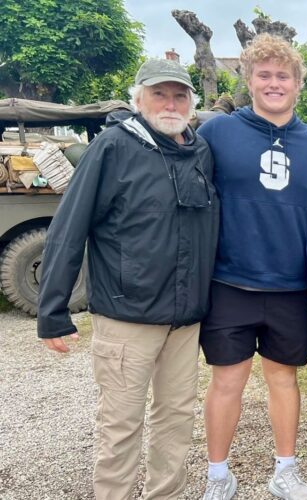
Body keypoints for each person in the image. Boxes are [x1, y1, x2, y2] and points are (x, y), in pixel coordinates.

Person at [37, 59, 219, 499]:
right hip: (126, 318)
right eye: (160, 94)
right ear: (139, 98)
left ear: (192, 104)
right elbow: (68, 228)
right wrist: (52, 311)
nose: (170, 103)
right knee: (120, 426)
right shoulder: (113, 147)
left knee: (176, 420)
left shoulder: (200, 152)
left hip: (184, 322)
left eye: (179, 95)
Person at [196, 34, 307, 500]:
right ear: (249, 79)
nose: (274, 83)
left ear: (298, 84)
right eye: (265, 74)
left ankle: (286, 470)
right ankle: (218, 475)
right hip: (229, 282)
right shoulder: (216, 133)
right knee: (227, 380)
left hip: (291, 287)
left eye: (284, 76)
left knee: (283, 377)